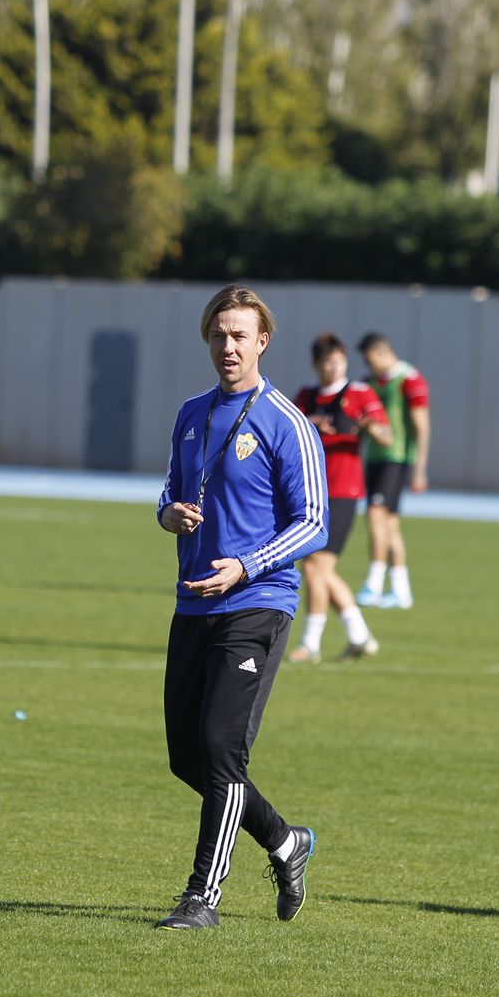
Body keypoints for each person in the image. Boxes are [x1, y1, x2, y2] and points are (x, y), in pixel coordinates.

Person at [154, 284, 328, 931]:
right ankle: (286, 843)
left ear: (262, 341)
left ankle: (202, 898)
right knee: (187, 758)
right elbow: (170, 489)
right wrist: (168, 513)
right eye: (219, 334)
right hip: (193, 605)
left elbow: (314, 521)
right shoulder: (191, 414)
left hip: (259, 602)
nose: (228, 346)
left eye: (240, 335)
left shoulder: (285, 420)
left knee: (222, 748)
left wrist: (248, 565)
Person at [290, 332, 393, 662]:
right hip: (309, 492)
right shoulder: (305, 397)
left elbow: (386, 435)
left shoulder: (360, 393)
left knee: (313, 567)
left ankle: (310, 644)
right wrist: (310, 423)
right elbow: (288, 433)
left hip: (343, 492)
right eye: (327, 363)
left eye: (339, 362)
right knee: (321, 570)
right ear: (316, 365)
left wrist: (368, 426)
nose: (334, 368)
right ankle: (359, 635)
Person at [355, 332, 430, 609]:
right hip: (375, 458)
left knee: (375, 514)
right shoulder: (368, 382)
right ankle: (401, 590)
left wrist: (419, 469)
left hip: (396, 457)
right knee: (389, 525)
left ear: (378, 354)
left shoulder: (410, 379)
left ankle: (373, 583)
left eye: (368, 359)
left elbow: (422, 426)